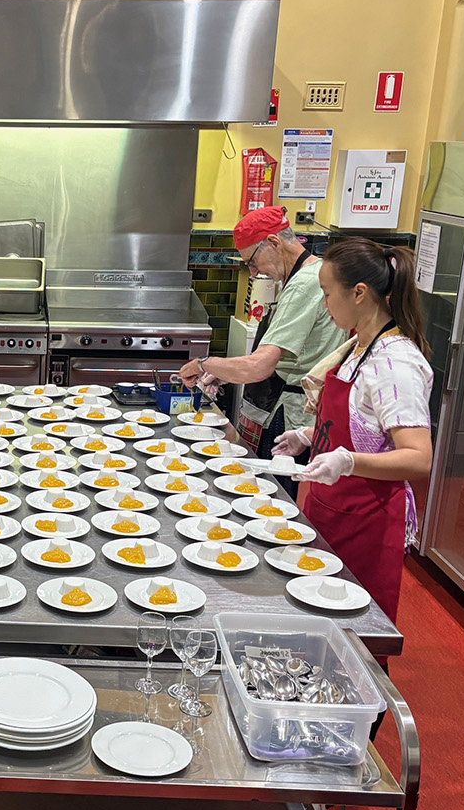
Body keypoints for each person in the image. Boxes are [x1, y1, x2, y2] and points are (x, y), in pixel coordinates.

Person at [279, 237, 434, 624]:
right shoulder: (358, 347)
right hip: (329, 509)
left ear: (359, 293)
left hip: (364, 522)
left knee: (351, 635)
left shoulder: (395, 363)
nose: (325, 303)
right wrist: (310, 435)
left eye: (327, 294)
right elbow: (362, 425)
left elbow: (418, 458)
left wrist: (347, 460)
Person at [178, 207, 344, 484]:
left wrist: (203, 364)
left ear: (274, 243)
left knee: (273, 497)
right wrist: (226, 371)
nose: (254, 273)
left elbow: (260, 366)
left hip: (289, 414)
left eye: (252, 262)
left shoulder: (303, 285)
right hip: (296, 409)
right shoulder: (310, 274)